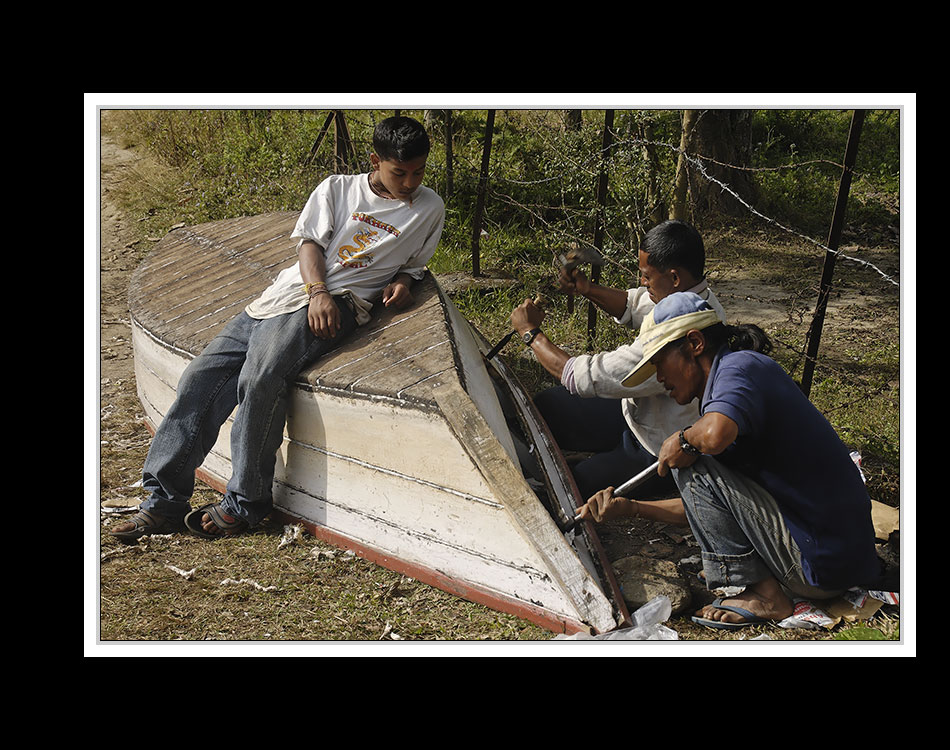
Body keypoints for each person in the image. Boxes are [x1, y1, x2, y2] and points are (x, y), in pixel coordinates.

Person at [112, 115, 446, 542]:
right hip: (287, 296)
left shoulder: (428, 207)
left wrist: (402, 282)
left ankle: (245, 504)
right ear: (374, 161)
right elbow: (310, 244)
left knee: (260, 377)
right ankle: (162, 503)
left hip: (339, 304)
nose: (409, 182)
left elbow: (416, 266)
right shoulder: (337, 189)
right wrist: (316, 291)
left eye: (418, 172)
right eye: (399, 172)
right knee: (200, 377)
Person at [576, 292, 885, 630]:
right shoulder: (733, 380)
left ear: (694, 342)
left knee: (692, 456)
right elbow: (713, 507)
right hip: (836, 563)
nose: (658, 376)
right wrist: (632, 508)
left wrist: (681, 440)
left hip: (822, 564)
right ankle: (765, 587)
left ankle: (766, 596)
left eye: (659, 362)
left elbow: (711, 438)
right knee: (694, 454)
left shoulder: (739, 368)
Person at [509, 220, 725, 521]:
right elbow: (636, 304)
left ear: (674, 277)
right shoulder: (686, 298)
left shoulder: (682, 341)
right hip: (631, 412)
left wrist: (531, 333)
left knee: (574, 486)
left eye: (647, 276)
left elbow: (585, 374)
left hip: (658, 446)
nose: (642, 281)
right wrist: (587, 288)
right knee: (544, 409)